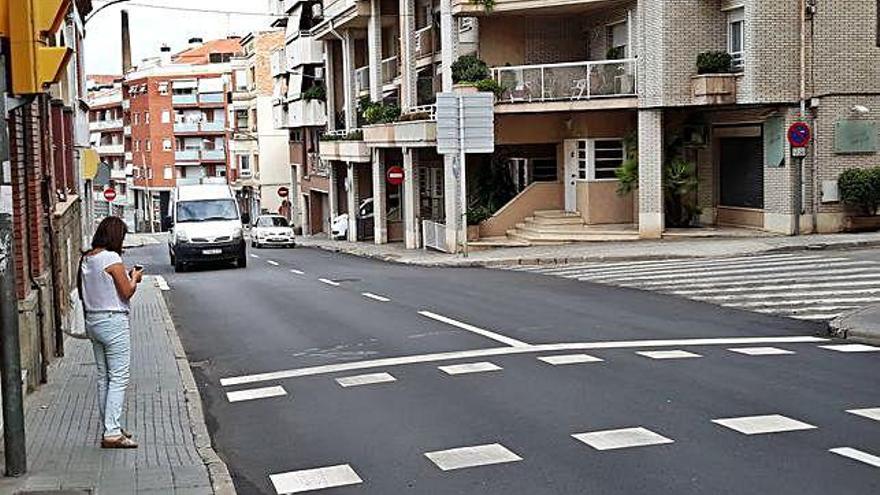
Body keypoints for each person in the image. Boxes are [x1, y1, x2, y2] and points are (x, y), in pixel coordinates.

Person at [78, 216, 143, 448]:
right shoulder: (111, 258)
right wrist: (134, 278)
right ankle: (112, 432)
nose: (123, 243)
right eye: (122, 238)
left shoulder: (86, 258)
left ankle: (110, 426)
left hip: (93, 322)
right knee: (119, 377)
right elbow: (126, 292)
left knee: (104, 376)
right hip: (113, 321)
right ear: (115, 237)